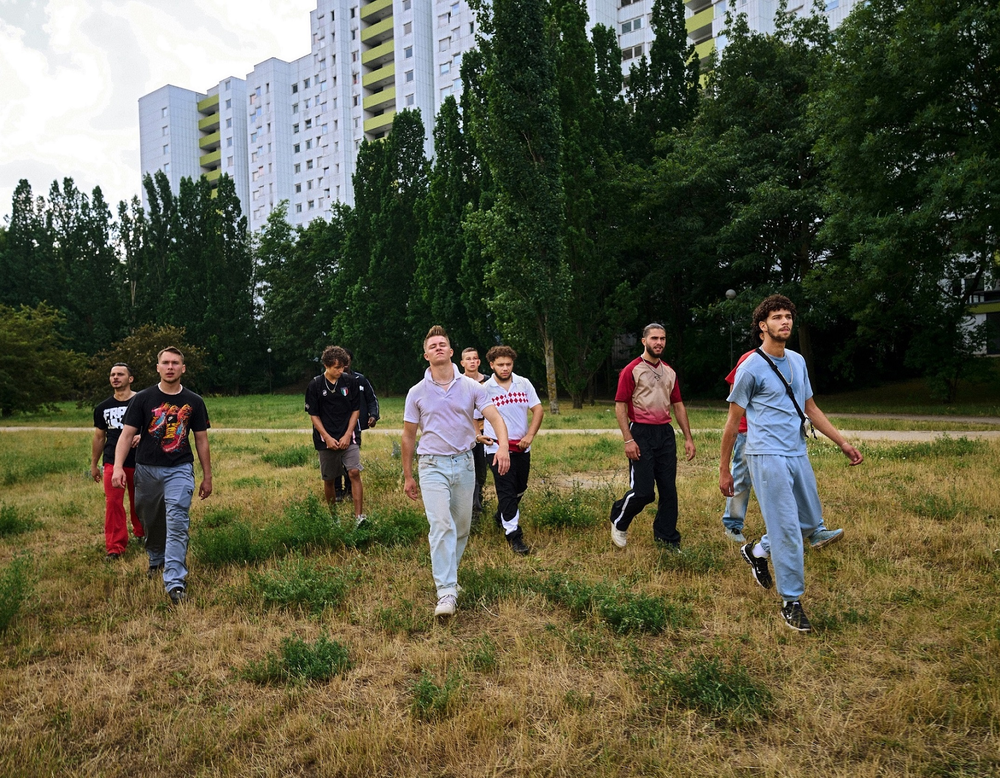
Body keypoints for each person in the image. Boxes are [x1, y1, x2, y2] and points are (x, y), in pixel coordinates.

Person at [720, 294, 863, 633]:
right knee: (787, 528)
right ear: (762, 326)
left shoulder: (797, 361)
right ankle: (791, 602)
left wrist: (842, 442)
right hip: (765, 455)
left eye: (788, 317)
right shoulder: (750, 367)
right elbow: (732, 422)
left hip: (797, 451)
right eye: (777, 317)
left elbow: (810, 408)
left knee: (810, 523)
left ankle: (757, 551)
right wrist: (725, 468)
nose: (784, 322)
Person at [402, 325, 510, 619]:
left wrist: (501, 446)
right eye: (432, 345)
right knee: (441, 526)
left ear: (451, 352)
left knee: (461, 527)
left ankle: (450, 576)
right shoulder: (416, 393)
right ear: (426, 355)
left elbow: (494, 417)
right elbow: (409, 436)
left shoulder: (472, 387)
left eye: (443, 344)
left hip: (464, 464)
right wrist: (408, 475)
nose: (438, 347)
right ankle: (446, 590)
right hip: (432, 464)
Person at [112, 347, 211, 605]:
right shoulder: (143, 399)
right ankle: (156, 557)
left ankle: (175, 581)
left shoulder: (194, 401)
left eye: (175, 363)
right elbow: (126, 435)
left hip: (179, 468)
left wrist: (207, 476)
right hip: (146, 469)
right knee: (150, 518)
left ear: (183, 368)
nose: (170, 367)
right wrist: (119, 466)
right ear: (158, 367)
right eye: (165, 363)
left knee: (177, 520)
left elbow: (201, 440)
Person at [609, 323, 696, 551]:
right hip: (640, 432)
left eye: (663, 338)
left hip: (665, 434)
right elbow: (620, 406)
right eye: (654, 338)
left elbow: (678, 404)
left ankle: (667, 538)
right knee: (644, 491)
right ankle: (620, 518)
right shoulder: (632, 369)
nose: (659, 342)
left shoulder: (669, 371)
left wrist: (688, 438)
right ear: (644, 341)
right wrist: (628, 439)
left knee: (669, 490)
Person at [479, 345, 543, 556]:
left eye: (508, 364)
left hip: (522, 446)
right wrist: (477, 435)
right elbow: (474, 417)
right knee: (505, 488)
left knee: (520, 488)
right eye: (500, 365)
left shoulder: (523, 383)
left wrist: (530, 435)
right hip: (496, 448)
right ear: (491, 365)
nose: (505, 368)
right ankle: (514, 535)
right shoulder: (484, 389)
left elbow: (538, 409)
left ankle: (502, 514)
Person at [305, 346, 365, 526]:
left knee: (354, 472)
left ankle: (359, 518)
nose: (341, 371)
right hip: (326, 439)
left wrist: (348, 434)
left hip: (348, 435)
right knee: (329, 479)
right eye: (337, 368)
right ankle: (334, 519)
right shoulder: (315, 385)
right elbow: (313, 415)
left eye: (343, 367)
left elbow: (356, 410)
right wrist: (327, 437)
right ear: (326, 365)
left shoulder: (350, 382)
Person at [91, 362, 144, 560]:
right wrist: (94, 464)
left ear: (130, 379)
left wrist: (143, 436)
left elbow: (155, 426)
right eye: (112, 374)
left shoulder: (142, 401)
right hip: (113, 462)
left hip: (140, 460)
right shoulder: (103, 407)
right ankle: (115, 547)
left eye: (120, 374)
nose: (115, 377)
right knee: (113, 503)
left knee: (140, 501)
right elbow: (98, 437)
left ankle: (142, 533)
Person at [333, 349, 380, 503]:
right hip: (334, 427)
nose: (344, 365)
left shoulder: (360, 380)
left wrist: (373, 415)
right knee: (335, 460)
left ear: (350, 361)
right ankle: (337, 491)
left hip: (355, 428)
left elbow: (372, 399)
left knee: (351, 460)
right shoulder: (329, 381)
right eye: (340, 362)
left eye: (346, 362)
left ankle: (349, 489)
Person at [460, 347, 489, 521]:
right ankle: (473, 510)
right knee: (469, 471)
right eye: (468, 359)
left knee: (481, 471)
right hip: (465, 432)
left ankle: (479, 500)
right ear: (462, 363)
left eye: (475, 358)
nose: (472, 361)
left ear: (479, 362)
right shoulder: (458, 382)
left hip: (486, 431)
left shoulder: (488, 382)